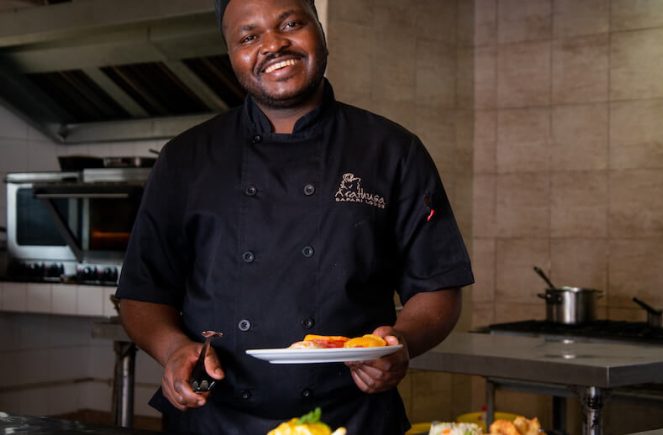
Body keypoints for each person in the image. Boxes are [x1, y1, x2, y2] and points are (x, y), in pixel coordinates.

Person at [114, 0, 474, 433]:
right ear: (231, 55)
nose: (273, 44)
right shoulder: (186, 158)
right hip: (214, 418)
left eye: (290, 24)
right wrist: (172, 348)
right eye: (248, 37)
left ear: (319, 33)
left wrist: (399, 344)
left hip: (351, 417)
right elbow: (141, 291)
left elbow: (438, 286)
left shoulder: (392, 150)